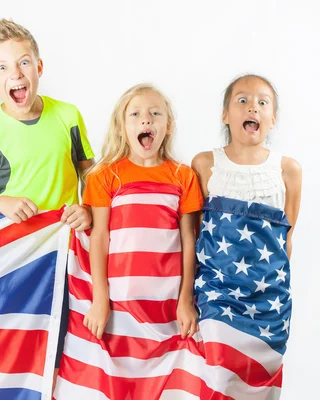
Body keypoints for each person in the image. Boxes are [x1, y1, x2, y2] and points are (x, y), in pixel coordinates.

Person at [55, 84, 203, 399]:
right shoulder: (106, 176)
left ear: (168, 126)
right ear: (123, 128)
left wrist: (185, 300)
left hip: (165, 306)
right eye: (135, 115)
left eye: (154, 114)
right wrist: (100, 299)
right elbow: (99, 238)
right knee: (116, 383)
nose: (145, 121)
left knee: (164, 383)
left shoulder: (183, 177)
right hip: (119, 305)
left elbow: (189, 241)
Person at [0, 18, 95, 387]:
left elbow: (92, 176)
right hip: (17, 255)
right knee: (20, 341)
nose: (16, 73)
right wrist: (1, 203)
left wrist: (87, 209)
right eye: (3, 67)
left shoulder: (68, 116)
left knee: (67, 340)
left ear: (38, 67)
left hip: (69, 252)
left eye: (24, 62)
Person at [191, 74, 302, 397]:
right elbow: (196, 231)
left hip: (269, 301)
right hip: (217, 295)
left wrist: (271, 290)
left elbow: (287, 238)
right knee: (218, 378)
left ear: (272, 118)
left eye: (262, 102)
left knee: (259, 385)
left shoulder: (288, 170)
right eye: (242, 100)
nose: (253, 106)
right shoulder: (205, 164)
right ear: (225, 115)